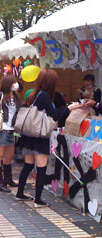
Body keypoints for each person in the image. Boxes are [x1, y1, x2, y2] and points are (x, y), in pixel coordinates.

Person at [15, 69, 81, 207]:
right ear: (51, 82)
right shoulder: (44, 95)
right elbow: (54, 115)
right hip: (39, 136)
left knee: (27, 166)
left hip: (29, 136)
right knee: (41, 168)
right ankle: (38, 200)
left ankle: (20, 193)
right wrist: (69, 108)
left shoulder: (35, 94)